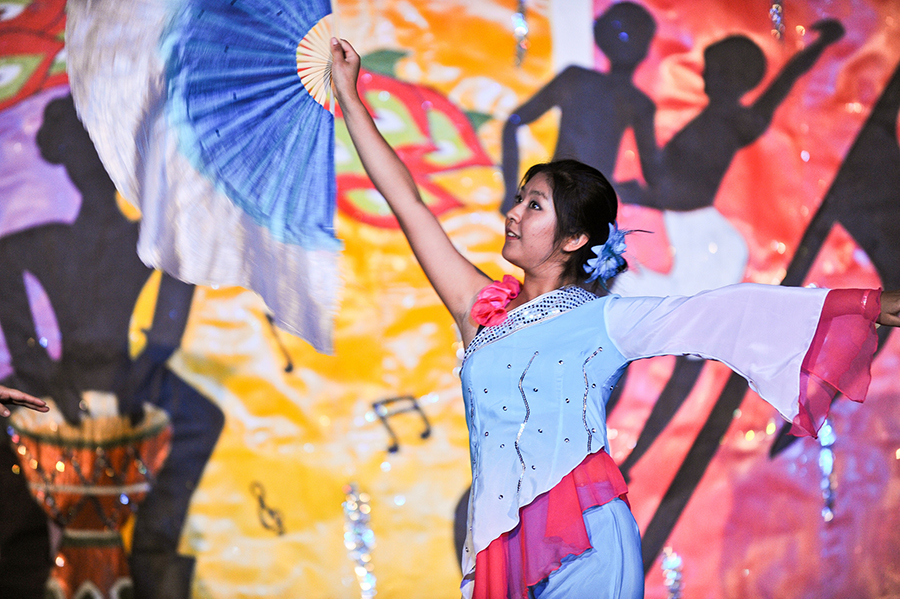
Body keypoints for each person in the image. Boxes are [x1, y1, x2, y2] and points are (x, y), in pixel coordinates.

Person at [330, 38, 900, 599]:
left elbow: (728, 310)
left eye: (534, 206)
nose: (513, 212)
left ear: (575, 238)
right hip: (502, 540)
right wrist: (351, 100)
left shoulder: (607, 319)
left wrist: (866, 305)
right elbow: (408, 202)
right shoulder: (478, 310)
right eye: (520, 199)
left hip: (589, 540)